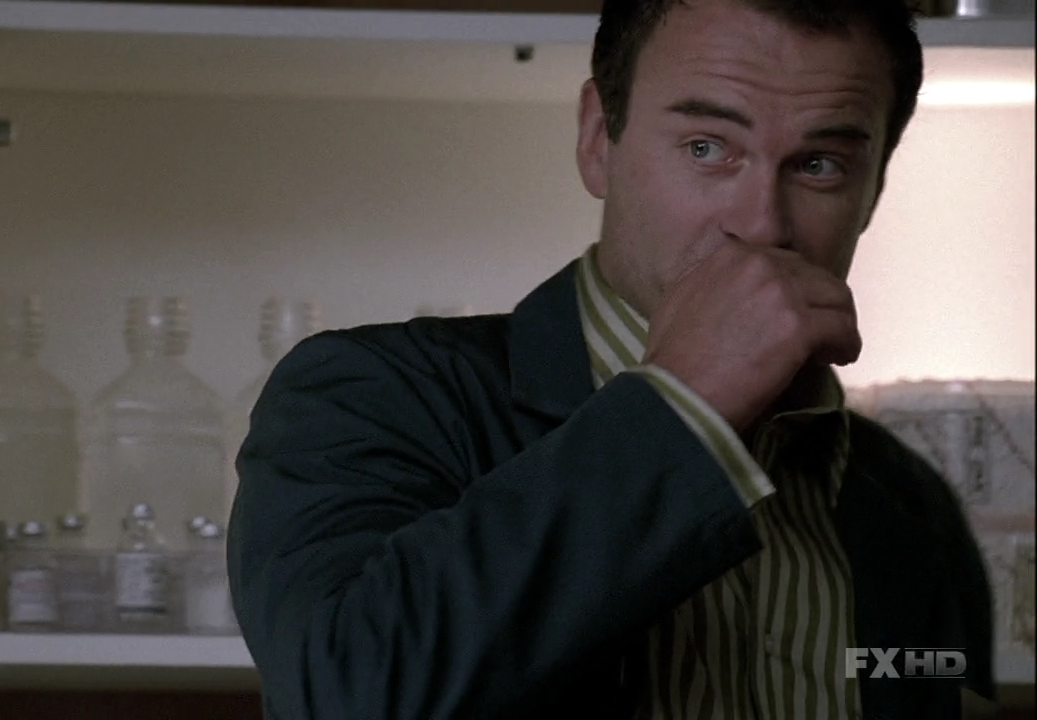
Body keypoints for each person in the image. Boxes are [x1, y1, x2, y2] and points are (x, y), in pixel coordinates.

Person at [228, 0, 997, 718]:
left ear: (875, 188)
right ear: (599, 140)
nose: (762, 225)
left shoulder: (908, 498)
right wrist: (686, 402)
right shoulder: (375, 395)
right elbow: (348, 695)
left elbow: (922, 683)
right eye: (706, 148)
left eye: (820, 163)